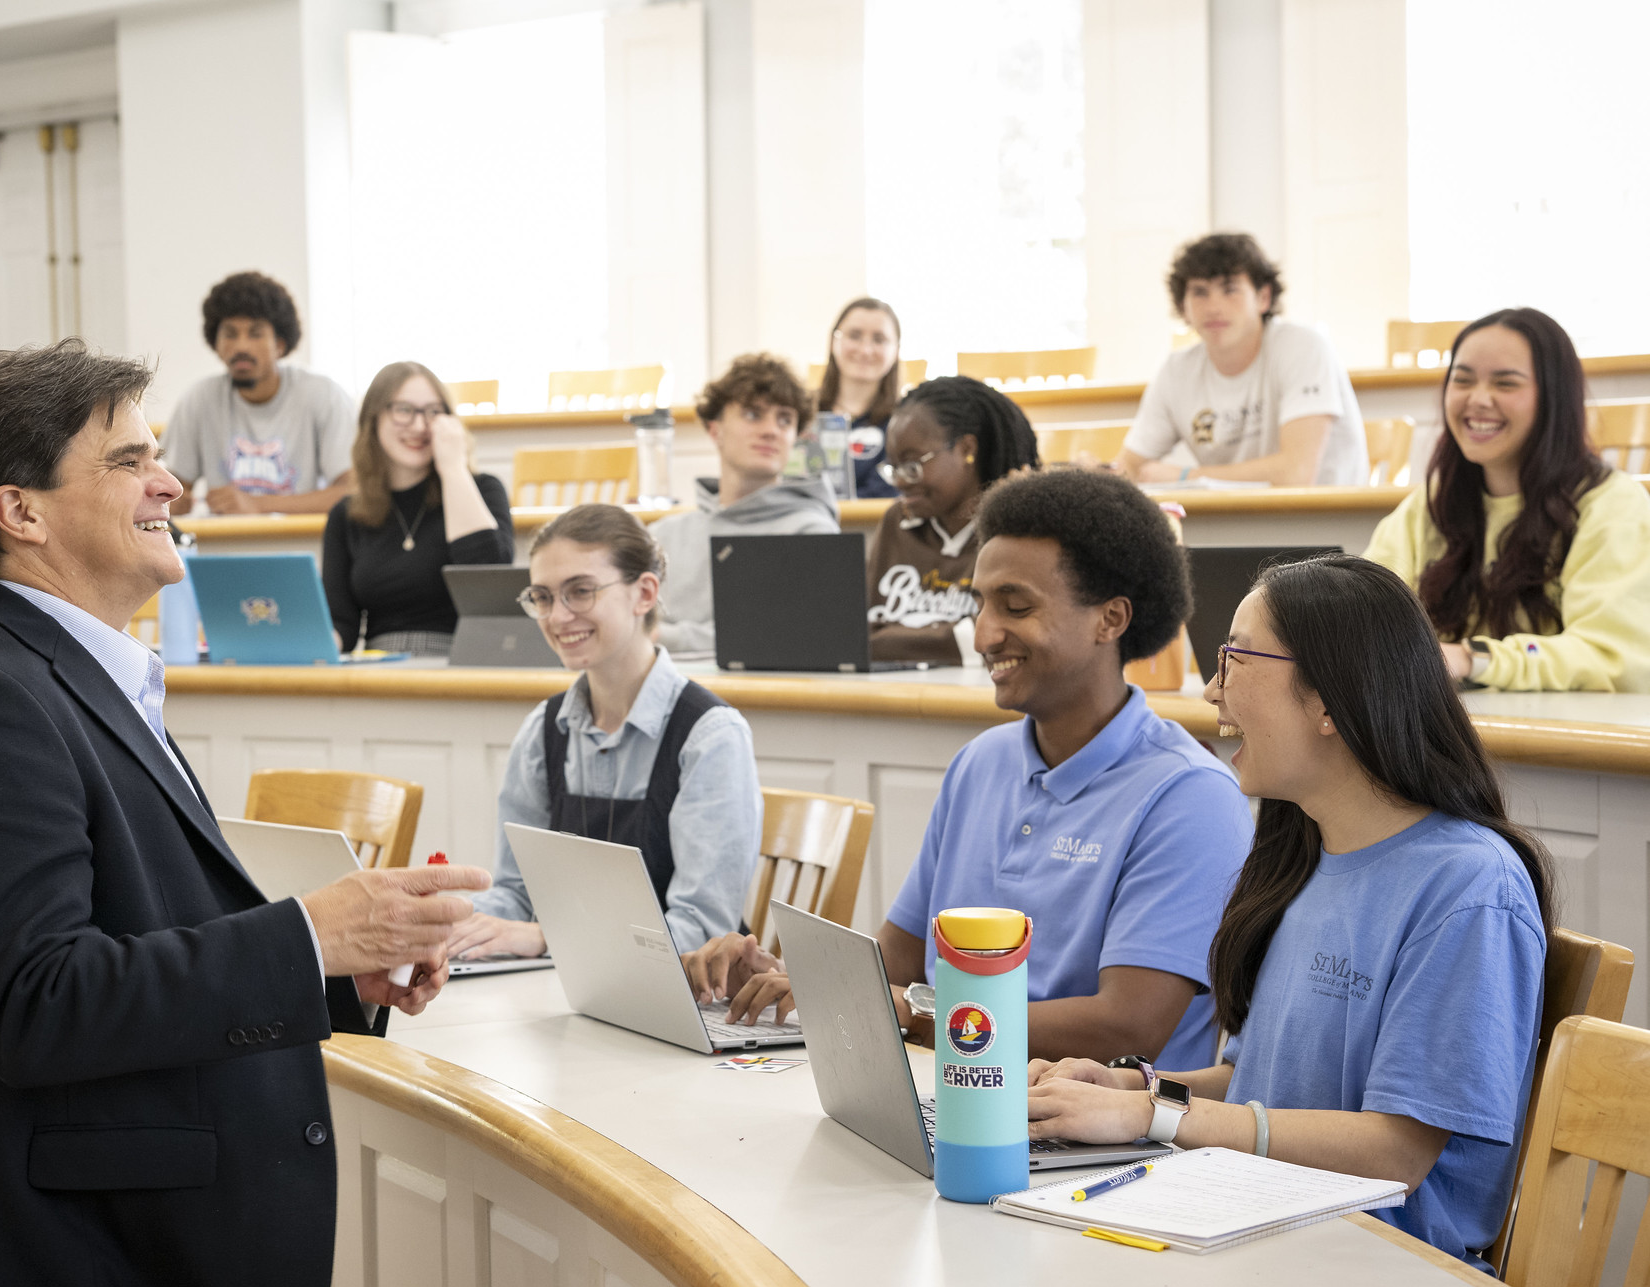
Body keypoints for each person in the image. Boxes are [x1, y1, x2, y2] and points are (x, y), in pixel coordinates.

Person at [0, 340, 488, 1287]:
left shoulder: (69, 676)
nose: (171, 482)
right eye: (129, 461)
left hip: (112, 1271)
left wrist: (336, 974)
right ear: (21, 512)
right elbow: (36, 1003)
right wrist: (304, 935)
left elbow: (141, 935)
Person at [1028, 555, 1551, 1267]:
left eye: (1234, 658)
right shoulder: (1298, 855)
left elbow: (1394, 1152)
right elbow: (1258, 1089)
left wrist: (1154, 1117)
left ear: (1331, 697)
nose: (1211, 688)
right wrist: (1130, 1083)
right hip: (1253, 1232)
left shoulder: (1468, 887)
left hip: (1381, 1276)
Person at [687, 467, 1252, 1070]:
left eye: (1016, 606)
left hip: (1093, 1135)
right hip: (941, 1089)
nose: (983, 633)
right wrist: (791, 980)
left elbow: (1126, 1028)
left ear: (1110, 620)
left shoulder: (1190, 796)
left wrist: (915, 1010)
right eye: (978, 603)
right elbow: (895, 964)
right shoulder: (980, 762)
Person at [446, 504, 762, 960]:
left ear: (645, 593)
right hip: (567, 988)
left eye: (580, 591)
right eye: (544, 597)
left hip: (682, 1004)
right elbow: (517, 896)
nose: (557, 617)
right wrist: (451, 920)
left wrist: (549, 939)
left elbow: (700, 929)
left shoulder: (710, 737)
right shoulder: (542, 731)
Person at [1364, 307, 1650, 691]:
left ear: (1554, 398)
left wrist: (1472, 659)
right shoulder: (1432, 504)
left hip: (1560, 738)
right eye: (1462, 380)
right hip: (1454, 733)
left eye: (1506, 383)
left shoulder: (1612, 506)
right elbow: (1364, 615)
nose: (1478, 399)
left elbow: (1611, 657)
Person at [1117, 233, 1367, 487]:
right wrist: (1095, 472)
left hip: (1322, 521)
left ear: (1263, 298)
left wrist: (1185, 476)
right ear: (1184, 308)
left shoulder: (1303, 347)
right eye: (1200, 292)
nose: (1214, 306)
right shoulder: (1176, 370)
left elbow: (1296, 474)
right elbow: (1130, 467)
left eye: (1230, 289)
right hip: (1231, 522)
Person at [322, 361, 514, 655]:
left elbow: (488, 585)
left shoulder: (483, 489)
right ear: (373, 418)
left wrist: (452, 467)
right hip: (379, 666)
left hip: (464, 660)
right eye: (404, 410)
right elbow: (342, 625)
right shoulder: (346, 513)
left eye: (434, 412)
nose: (420, 426)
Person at [653, 353, 839, 654]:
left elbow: (782, 640)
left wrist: (659, 637)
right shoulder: (662, 536)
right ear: (716, 431)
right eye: (753, 415)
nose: (771, 430)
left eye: (785, 420)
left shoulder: (813, 533)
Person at [866, 376, 1039, 664]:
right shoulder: (897, 521)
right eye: (893, 467)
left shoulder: (1014, 530)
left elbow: (995, 640)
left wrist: (886, 642)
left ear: (967, 450)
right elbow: (862, 634)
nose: (899, 481)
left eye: (912, 465)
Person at [161, 270, 357, 517]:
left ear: (280, 345)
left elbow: (353, 493)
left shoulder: (323, 395)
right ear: (216, 344)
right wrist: (173, 501)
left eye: (255, 334)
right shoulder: (199, 399)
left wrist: (257, 504)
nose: (241, 346)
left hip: (300, 544)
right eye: (230, 334)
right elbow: (170, 490)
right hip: (223, 548)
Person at [816, 297, 906, 499]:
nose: (865, 350)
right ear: (833, 342)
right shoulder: (802, 415)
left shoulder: (907, 422)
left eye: (879, 339)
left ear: (897, 350)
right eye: (854, 336)